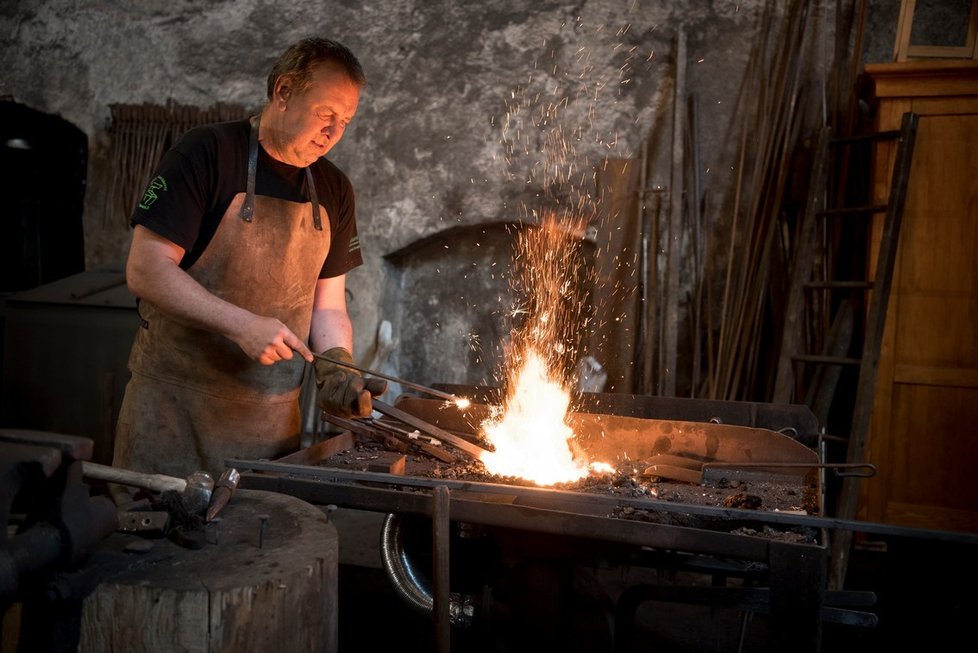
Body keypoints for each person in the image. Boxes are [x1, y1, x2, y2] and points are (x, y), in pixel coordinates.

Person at [112, 37, 385, 480]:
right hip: (173, 414)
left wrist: (338, 366)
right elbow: (146, 269)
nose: (334, 133)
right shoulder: (206, 153)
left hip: (270, 428)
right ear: (283, 92)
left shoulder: (335, 189)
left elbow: (329, 305)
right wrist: (241, 324)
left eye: (346, 122)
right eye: (325, 115)